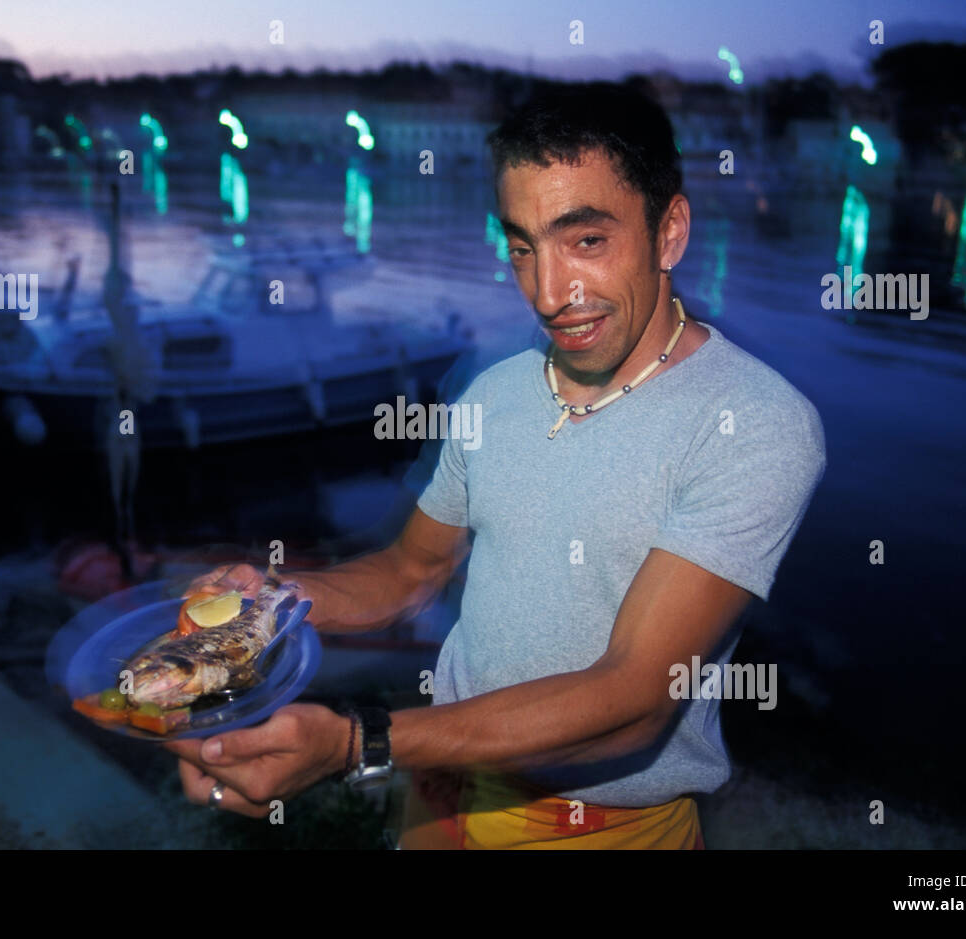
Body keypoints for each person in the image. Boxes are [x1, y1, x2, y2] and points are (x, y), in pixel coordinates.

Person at [167, 83, 827, 849]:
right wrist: (273, 599)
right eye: (522, 246)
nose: (549, 294)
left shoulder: (754, 421)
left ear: (669, 231)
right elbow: (410, 571)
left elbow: (634, 698)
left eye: (586, 240)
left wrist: (359, 742)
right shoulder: (496, 392)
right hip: (446, 793)